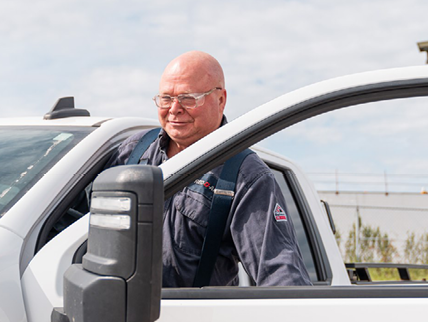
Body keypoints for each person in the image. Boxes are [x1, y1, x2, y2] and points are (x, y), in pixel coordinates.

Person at [106, 50, 311, 288]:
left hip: (190, 313)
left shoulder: (246, 177)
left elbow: (280, 276)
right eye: (166, 98)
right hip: (112, 308)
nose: (174, 109)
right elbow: (76, 227)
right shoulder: (132, 151)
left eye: (188, 98)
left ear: (221, 99)